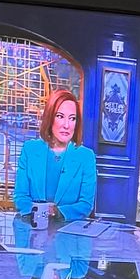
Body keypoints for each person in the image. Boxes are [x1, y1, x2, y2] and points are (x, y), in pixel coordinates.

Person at [13, 90, 97, 223]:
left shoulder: (86, 156)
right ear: (50, 117)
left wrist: (58, 212)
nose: (66, 125)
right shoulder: (30, 150)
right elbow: (20, 197)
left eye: (72, 118)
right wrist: (41, 213)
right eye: (60, 116)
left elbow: (85, 205)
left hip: (69, 235)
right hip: (32, 230)